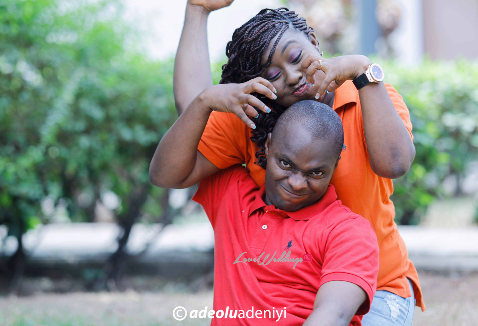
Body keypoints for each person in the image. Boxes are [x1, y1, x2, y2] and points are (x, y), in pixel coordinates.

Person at [162, 0, 423, 325]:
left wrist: (364, 71)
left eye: (296, 56)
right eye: (272, 74)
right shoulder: (257, 116)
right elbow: (193, 112)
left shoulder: (368, 99)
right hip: (290, 288)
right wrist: (198, 10)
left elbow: (395, 163)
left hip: (374, 288)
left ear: (313, 39)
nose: (293, 76)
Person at [150, 99, 379, 326]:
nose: (297, 183)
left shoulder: (349, 232)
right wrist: (204, 101)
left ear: (335, 165)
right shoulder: (232, 194)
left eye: (316, 173)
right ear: (267, 146)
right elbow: (164, 172)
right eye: (286, 164)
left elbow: (334, 315)